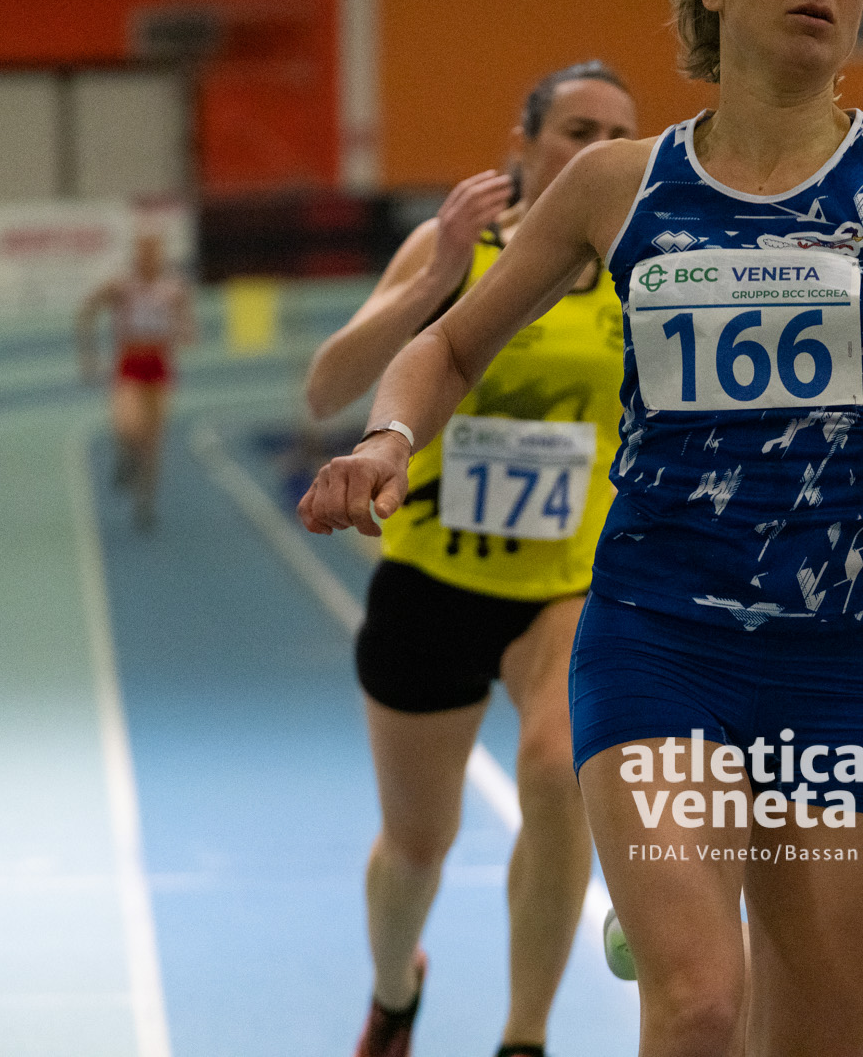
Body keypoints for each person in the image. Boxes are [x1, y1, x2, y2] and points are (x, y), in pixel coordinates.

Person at [300, 0, 863, 1057]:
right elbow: (448, 346)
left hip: (845, 657)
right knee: (698, 1000)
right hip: (661, 638)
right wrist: (387, 438)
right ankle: (663, 896)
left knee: (819, 1038)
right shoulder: (617, 184)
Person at [304, 62, 638, 1057]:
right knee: (418, 846)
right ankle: (393, 989)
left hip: (566, 586)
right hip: (433, 584)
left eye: (620, 135)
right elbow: (327, 388)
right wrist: (434, 279)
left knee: (557, 771)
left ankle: (523, 1036)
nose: (599, 151)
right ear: (523, 144)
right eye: (577, 130)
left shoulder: (641, 266)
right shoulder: (457, 245)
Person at [76, 233, 195, 531]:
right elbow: (86, 311)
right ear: (136, 254)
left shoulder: (173, 288)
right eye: (143, 251)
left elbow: (189, 326)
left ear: (161, 254)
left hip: (158, 367)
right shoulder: (121, 285)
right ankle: (126, 456)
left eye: (153, 251)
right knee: (126, 425)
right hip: (129, 364)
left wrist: (184, 332)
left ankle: (146, 502)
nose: (148, 258)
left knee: (153, 440)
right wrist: (89, 355)